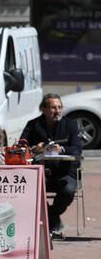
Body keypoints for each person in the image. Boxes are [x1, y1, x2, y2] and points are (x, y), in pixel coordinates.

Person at [20, 93, 82, 232]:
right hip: (40, 173)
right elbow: (21, 147)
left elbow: (77, 149)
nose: (57, 111)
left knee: (68, 190)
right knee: (27, 190)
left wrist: (62, 149)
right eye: (53, 108)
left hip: (65, 173)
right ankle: (52, 219)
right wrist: (35, 148)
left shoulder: (70, 125)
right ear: (43, 109)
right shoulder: (33, 125)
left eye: (60, 107)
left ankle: (50, 216)